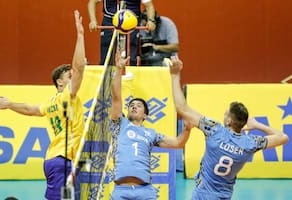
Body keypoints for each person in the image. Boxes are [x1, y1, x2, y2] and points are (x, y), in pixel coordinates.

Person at [168, 56, 289, 200]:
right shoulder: (250, 143)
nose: (223, 115)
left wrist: (175, 76)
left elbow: (182, 108)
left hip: (202, 195)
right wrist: (257, 125)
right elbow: (283, 137)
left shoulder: (214, 130)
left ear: (229, 121)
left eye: (225, 113)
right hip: (224, 196)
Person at [0, 10, 86, 200]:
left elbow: (30, 109)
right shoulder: (66, 96)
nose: (73, 76)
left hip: (59, 159)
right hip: (62, 160)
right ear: (59, 83)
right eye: (68, 76)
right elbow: (79, 68)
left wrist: (10, 104)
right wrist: (80, 36)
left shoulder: (49, 103)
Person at [109, 49, 191, 199]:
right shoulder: (119, 124)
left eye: (138, 106)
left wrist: (187, 128)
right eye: (131, 105)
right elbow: (116, 97)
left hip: (145, 191)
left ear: (145, 115)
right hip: (121, 191)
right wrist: (118, 69)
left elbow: (179, 142)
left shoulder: (151, 134)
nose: (134, 106)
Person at [88, 0, 156, 66]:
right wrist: (93, 20)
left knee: (131, 57)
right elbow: (92, 2)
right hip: (110, 21)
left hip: (131, 22)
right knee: (106, 56)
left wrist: (151, 20)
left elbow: (149, 5)